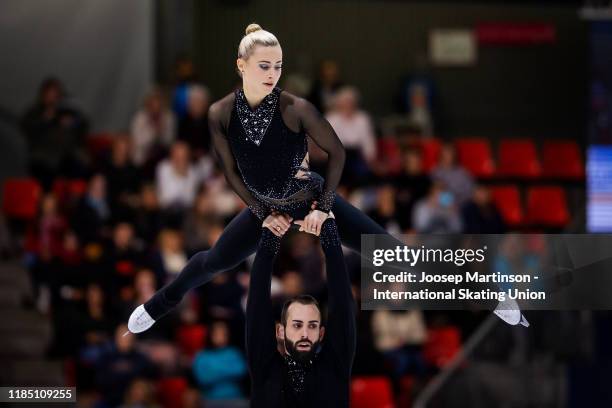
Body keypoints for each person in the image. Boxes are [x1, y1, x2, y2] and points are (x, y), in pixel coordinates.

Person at [126, 23, 527, 335]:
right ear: (242, 68)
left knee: (395, 254)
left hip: (311, 197)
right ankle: (154, 307)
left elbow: (337, 153)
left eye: (277, 67)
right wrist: (263, 211)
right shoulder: (219, 114)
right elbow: (232, 171)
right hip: (266, 207)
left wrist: (321, 207)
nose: (271, 75)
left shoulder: (295, 108)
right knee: (213, 261)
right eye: (263, 67)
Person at [246, 219, 355, 407]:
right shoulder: (265, 368)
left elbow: (342, 304)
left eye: (312, 326)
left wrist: (328, 230)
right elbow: (257, 303)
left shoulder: (334, 367)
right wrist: (270, 236)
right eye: (297, 325)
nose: (305, 334)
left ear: (321, 333)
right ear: (280, 331)